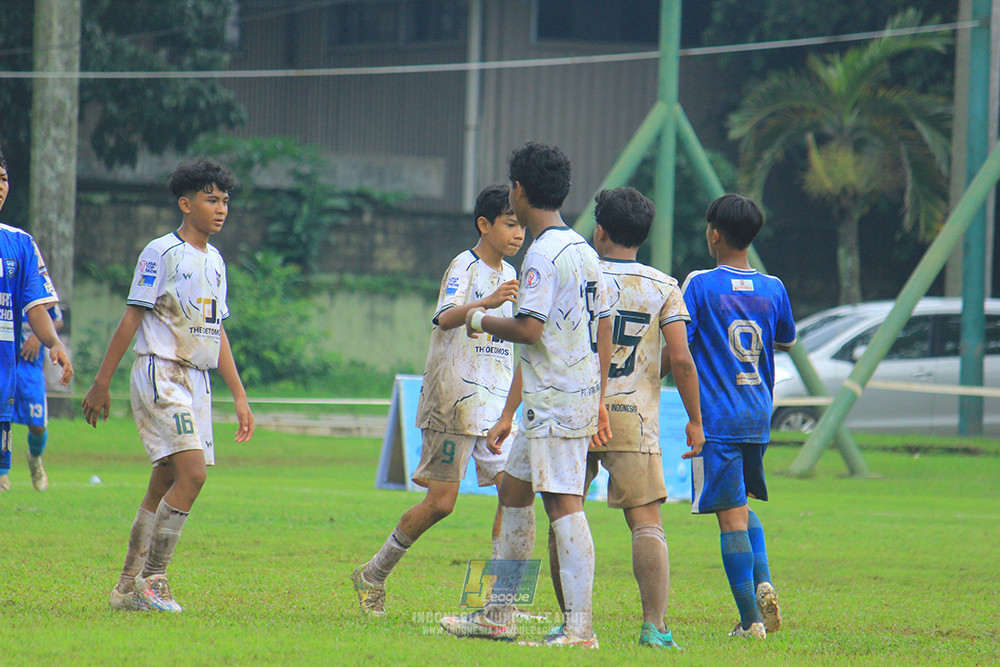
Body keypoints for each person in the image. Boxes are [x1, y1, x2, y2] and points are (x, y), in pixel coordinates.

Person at [440, 142, 612, 648]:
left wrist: (477, 317)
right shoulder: (583, 249)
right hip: (556, 397)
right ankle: (497, 614)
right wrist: (594, 389)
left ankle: (580, 630)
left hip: (557, 401)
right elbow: (599, 327)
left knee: (564, 504)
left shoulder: (541, 254)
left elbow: (531, 330)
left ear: (518, 190)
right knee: (513, 493)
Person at [81, 158, 254, 613]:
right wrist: (102, 382)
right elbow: (132, 316)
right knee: (193, 475)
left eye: (225, 201)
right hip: (162, 371)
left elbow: (217, 332)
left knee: (164, 479)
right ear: (186, 203)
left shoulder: (215, 261)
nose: (221, 209)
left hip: (196, 380)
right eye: (211, 199)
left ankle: (125, 588)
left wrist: (238, 395)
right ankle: (154, 579)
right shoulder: (160, 251)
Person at [350, 184, 524, 616]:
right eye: (510, 223)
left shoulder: (514, 276)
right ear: (484, 224)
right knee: (441, 504)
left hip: (496, 403)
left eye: (522, 224)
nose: (518, 233)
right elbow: (445, 318)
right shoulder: (463, 266)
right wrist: (486, 302)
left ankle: (497, 603)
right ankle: (372, 574)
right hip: (455, 399)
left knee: (516, 496)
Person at [545, 186, 704, 649]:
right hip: (633, 414)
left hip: (576, 407)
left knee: (564, 514)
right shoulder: (663, 286)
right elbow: (682, 358)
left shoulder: (579, 274)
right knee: (647, 522)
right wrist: (694, 419)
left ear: (600, 230)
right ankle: (654, 626)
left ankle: (572, 622)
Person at [680, 194, 796, 640]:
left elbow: (679, 341)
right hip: (757, 416)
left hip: (717, 419)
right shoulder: (774, 287)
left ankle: (750, 622)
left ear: (714, 233)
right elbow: (785, 340)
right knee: (741, 508)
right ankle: (763, 583)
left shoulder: (700, 284)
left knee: (729, 519)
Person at [0, 147, 74, 493]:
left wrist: (53, 343)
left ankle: (30, 464)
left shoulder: (20, 243)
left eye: (3, 179)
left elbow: (37, 308)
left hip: (14, 364)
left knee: (34, 426)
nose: (0, 185)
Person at [10, 297, 64, 492]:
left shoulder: (38, 281)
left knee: (37, 426)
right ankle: (2, 473)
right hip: (5, 362)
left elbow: (57, 318)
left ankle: (35, 460)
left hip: (30, 367)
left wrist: (37, 336)